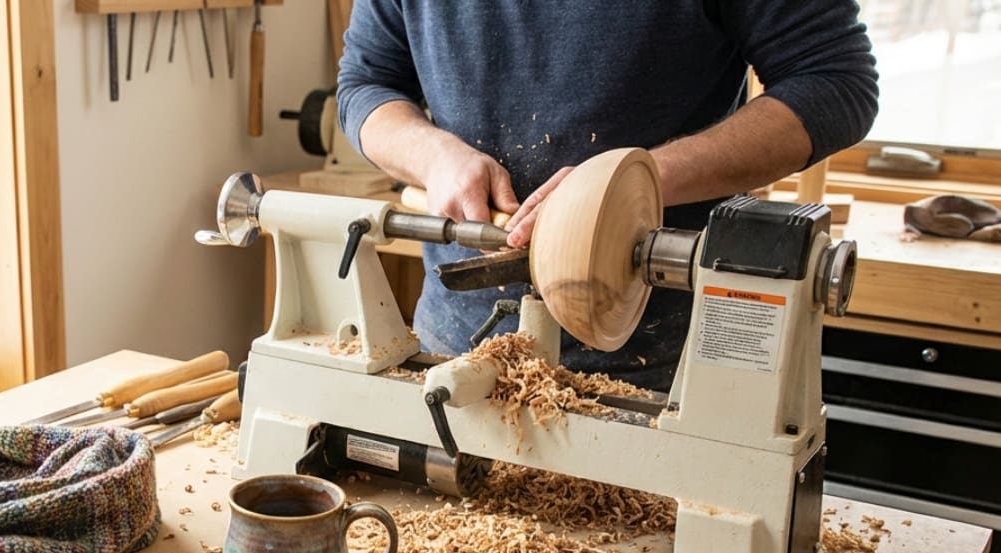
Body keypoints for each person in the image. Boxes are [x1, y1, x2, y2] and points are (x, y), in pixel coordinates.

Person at [337, 2, 880, 391]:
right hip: (455, 357)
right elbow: (365, 84)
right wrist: (434, 156)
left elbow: (836, 81)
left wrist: (630, 185)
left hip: (662, 375)